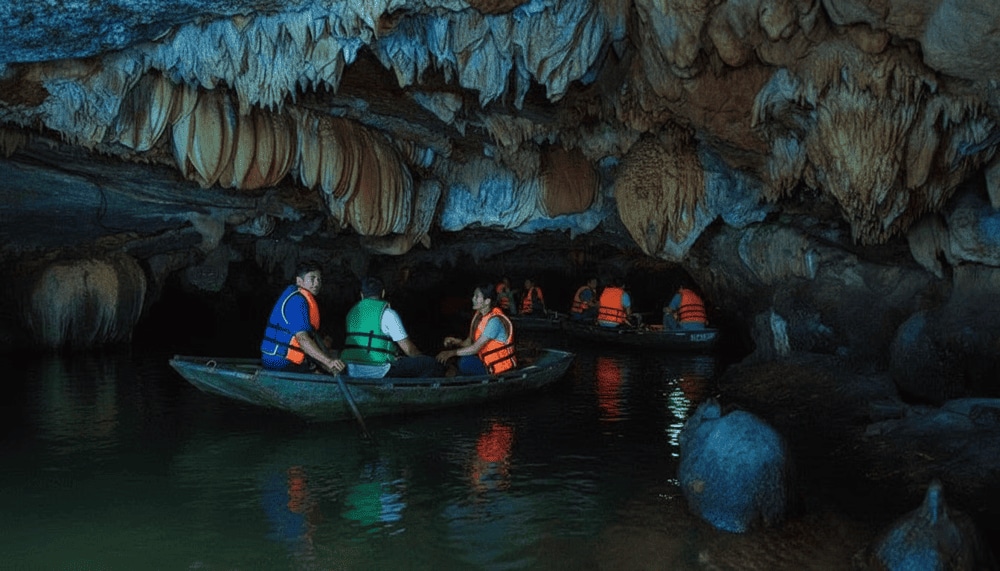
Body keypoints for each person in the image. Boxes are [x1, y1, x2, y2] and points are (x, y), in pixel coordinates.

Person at [340, 276, 445, 378]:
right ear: (383, 293)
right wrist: (422, 358)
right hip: (379, 371)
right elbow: (409, 350)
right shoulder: (387, 314)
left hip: (352, 370)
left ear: (362, 295)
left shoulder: (351, 313)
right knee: (431, 364)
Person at [260, 261, 345, 374]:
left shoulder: (300, 297)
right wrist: (328, 362)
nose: (316, 283)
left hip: (279, 360)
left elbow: (313, 337)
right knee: (320, 371)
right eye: (312, 278)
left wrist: (326, 362)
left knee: (323, 365)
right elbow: (303, 339)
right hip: (279, 361)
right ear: (299, 281)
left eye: (319, 279)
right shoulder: (297, 301)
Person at [436, 284, 517, 376]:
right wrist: (457, 342)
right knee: (457, 360)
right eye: (474, 295)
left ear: (487, 301)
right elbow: (470, 342)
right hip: (485, 361)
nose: (473, 299)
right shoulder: (479, 316)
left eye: (477, 296)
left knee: (465, 363)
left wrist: (452, 353)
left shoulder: (495, 321)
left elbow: (475, 348)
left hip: (498, 369)